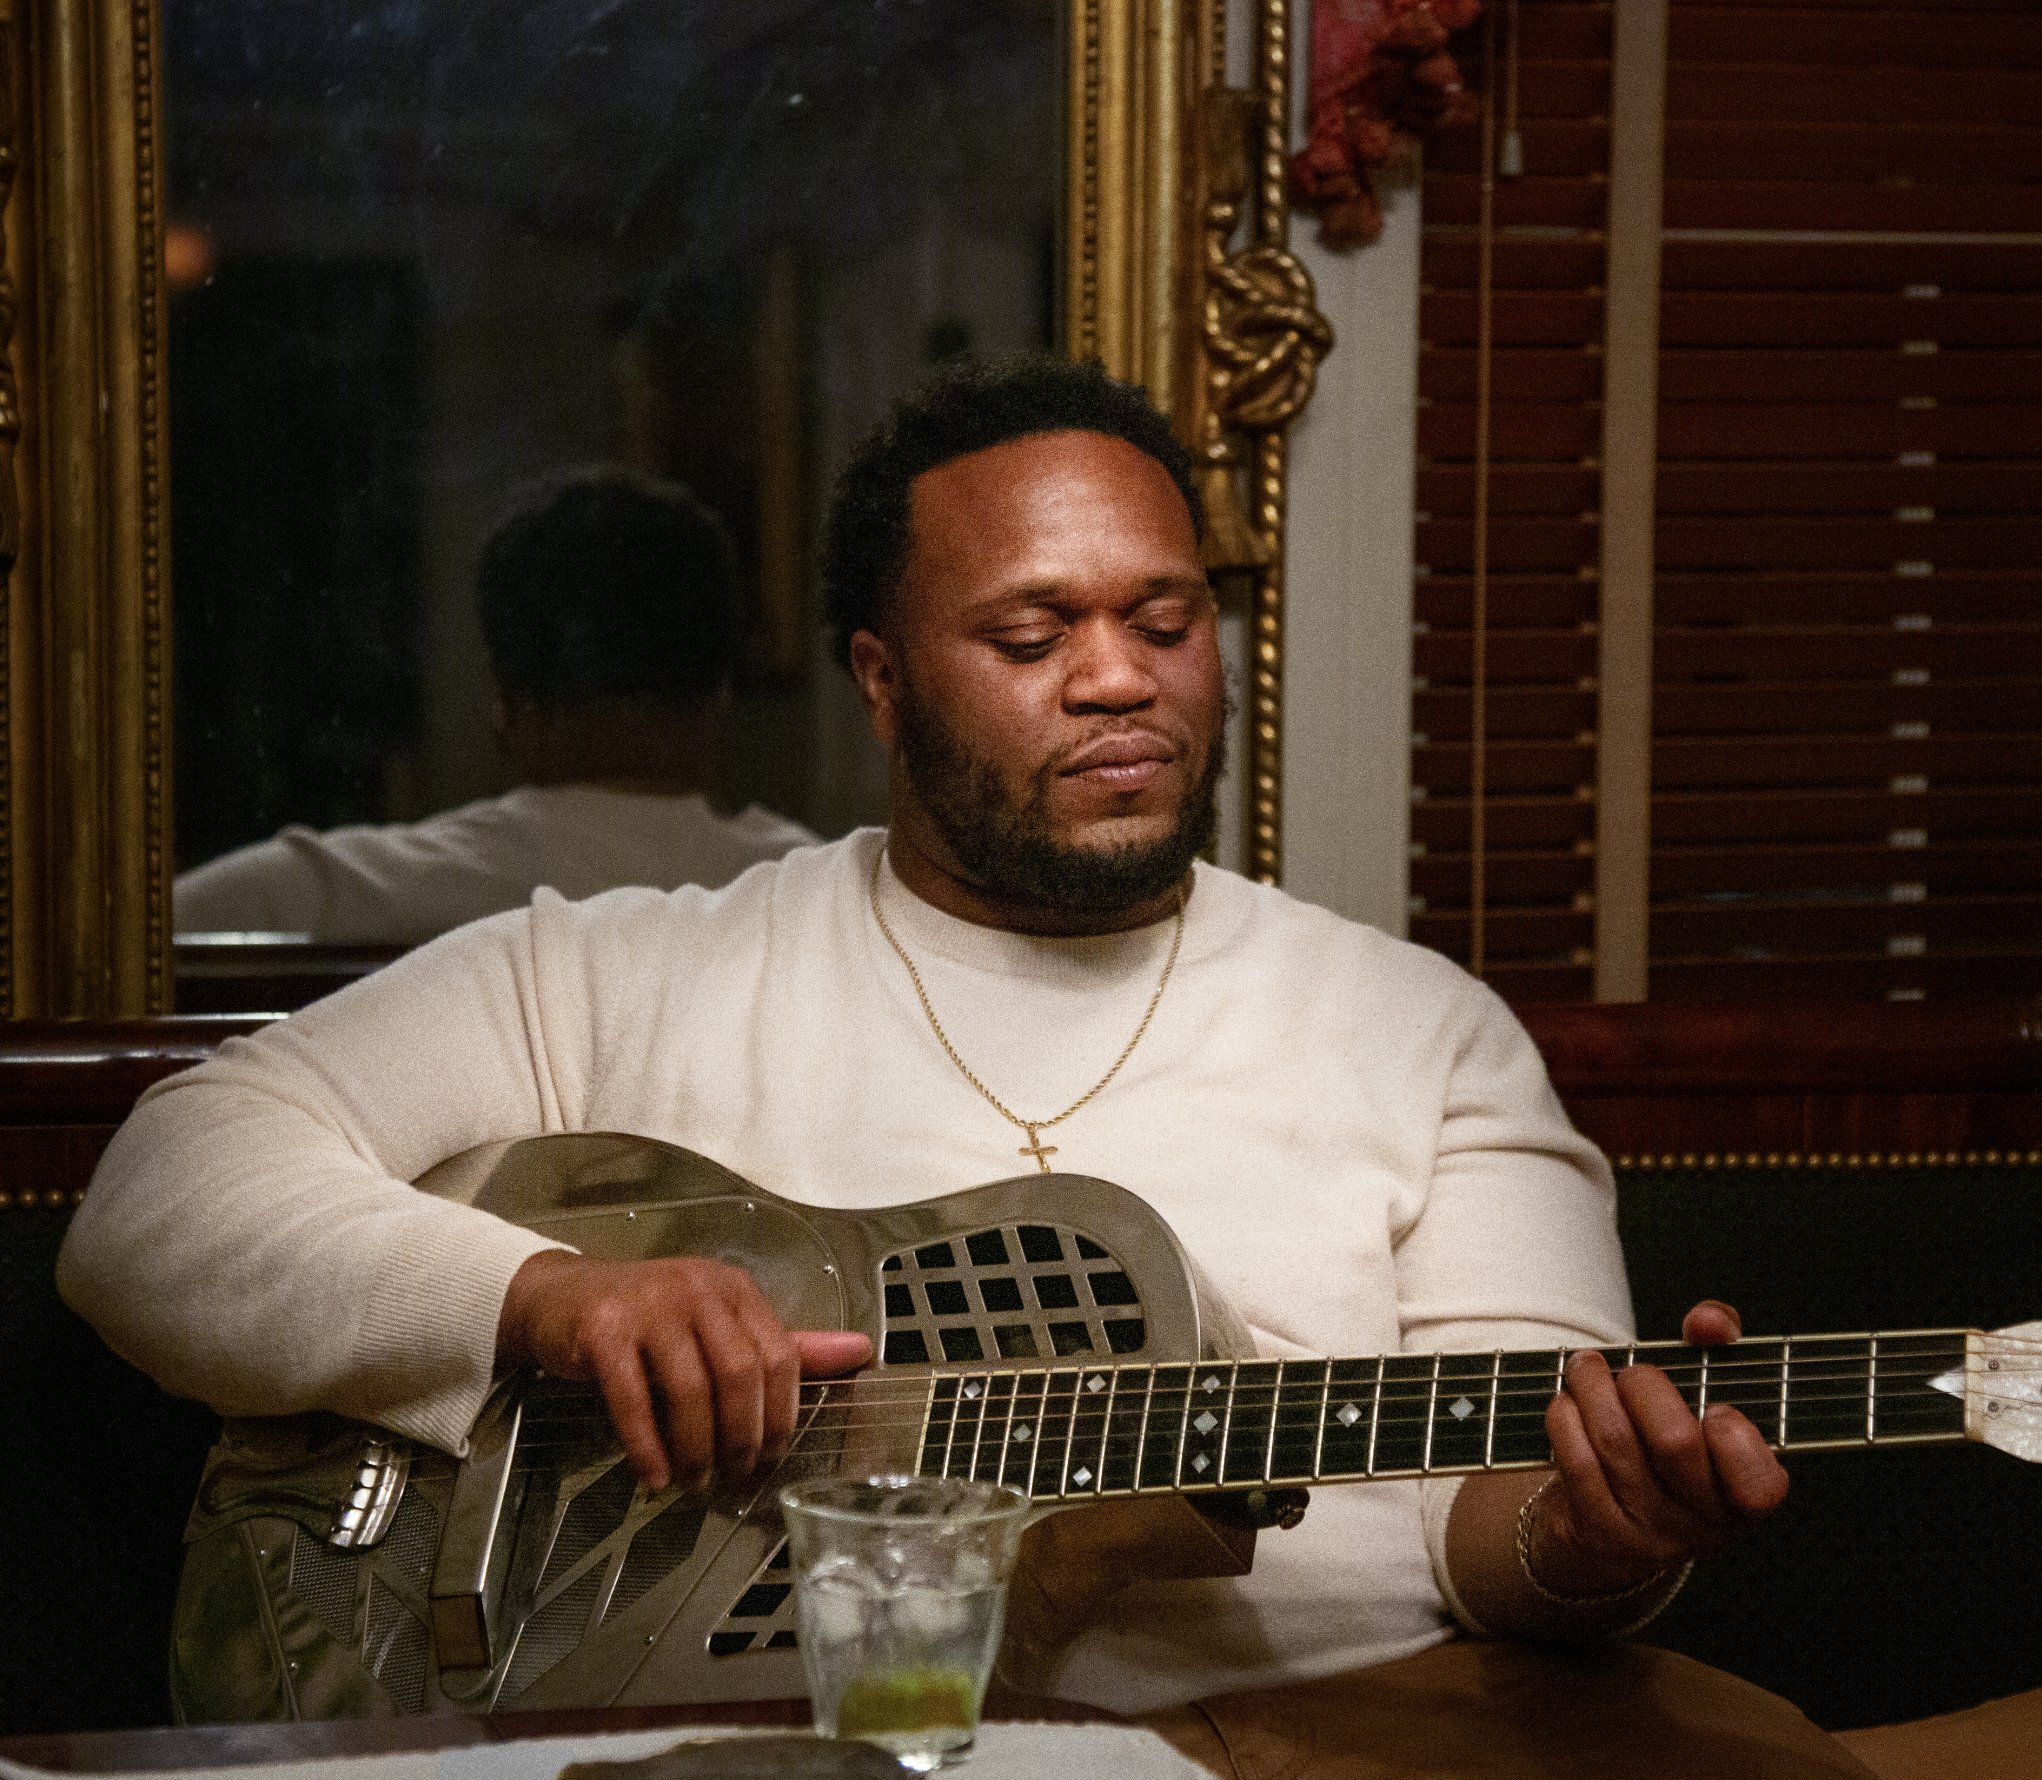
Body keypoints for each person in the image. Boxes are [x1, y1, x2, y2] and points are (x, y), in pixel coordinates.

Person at [58, 359, 2008, 1775]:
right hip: (737, 1737)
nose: (1117, 675)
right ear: (883, 678)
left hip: (1323, 1743)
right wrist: (545, 1296)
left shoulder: (1416, 1027)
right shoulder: (618, 966)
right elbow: (159, 1188)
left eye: (1165, 619)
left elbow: (1493, 1525)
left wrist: (1591, 1535)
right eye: (1032, 627)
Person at [172, 465, 814, 944]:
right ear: (721, 696)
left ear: (506, 703)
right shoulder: (824, 895)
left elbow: (136, 937)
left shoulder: (332, 891)